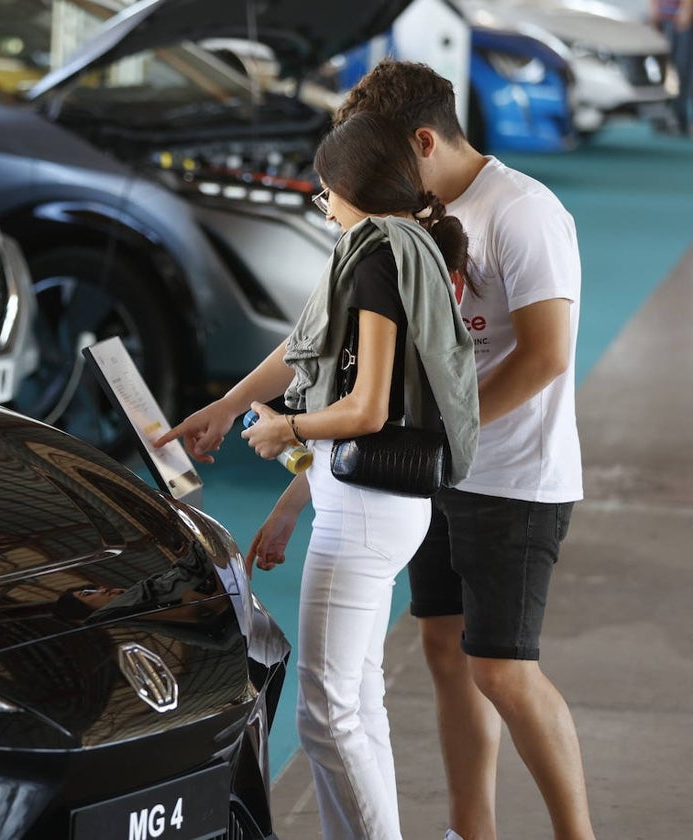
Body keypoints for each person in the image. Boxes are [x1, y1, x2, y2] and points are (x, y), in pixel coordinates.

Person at [157, 110, 479, 840]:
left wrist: (285, 429)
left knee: (326, 713)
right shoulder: (402, 246)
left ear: (351, 184)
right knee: (356, 702)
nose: (322, 201)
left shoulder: (373, 258)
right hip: (381, 505)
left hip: (365, 508)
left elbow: (365, 407)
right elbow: (309, 352)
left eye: (324, 188)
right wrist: (230, 403)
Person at [326, 59, 593, 840]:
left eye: (384, 159)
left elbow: (546, 356)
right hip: (433, 470)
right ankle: (470, 833)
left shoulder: (523, 212)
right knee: (444, 650)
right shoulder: (417, 213)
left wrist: (445, 427)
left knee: (503, 670)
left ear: (422, 138)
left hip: (517, 479)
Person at [651, 0, 693, 135]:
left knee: (681, 70)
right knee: (662, 69)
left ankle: (679, 118)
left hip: (682, 20)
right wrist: (653, 10)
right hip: (665, 19)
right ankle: (662, 116)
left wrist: (686, 10)